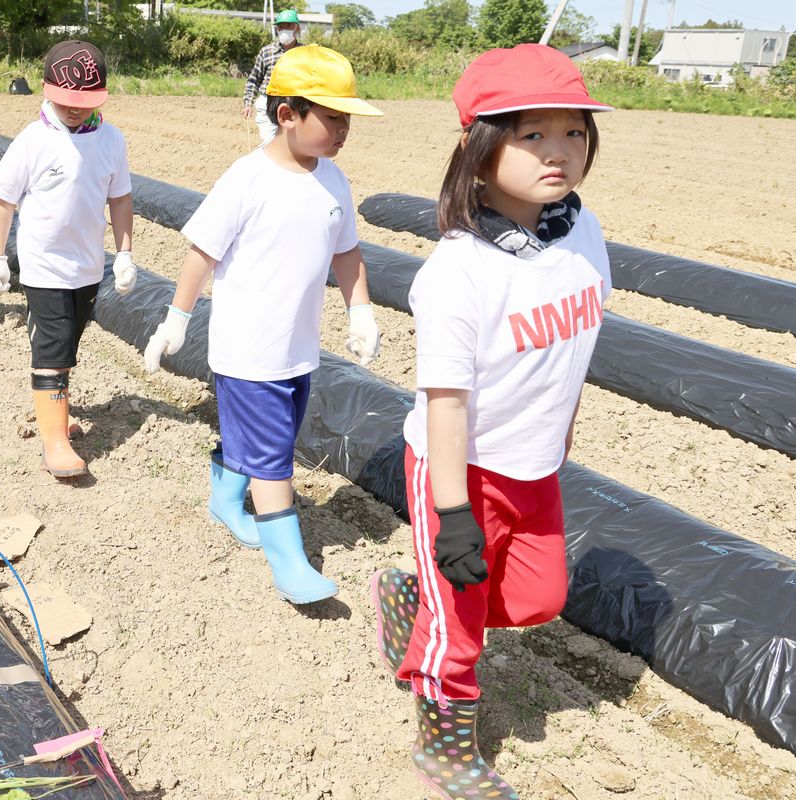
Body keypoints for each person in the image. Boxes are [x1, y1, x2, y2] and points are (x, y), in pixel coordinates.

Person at [370, 44, 613, 800]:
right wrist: (452, 517)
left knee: (538, 598)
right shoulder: (460, 272)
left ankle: (414, 599)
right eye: (532, 135)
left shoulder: (582, 233)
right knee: (462, 627)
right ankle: (444, 752)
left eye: (572, 133)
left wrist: (560, 433)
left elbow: (577, 347)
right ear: (480, 152)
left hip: (533, 464)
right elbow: (446, 403)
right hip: (462, 472)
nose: (558, 152)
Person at [145, 44, 382, 604]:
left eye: (347, 118)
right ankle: (290, 561)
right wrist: (176, 318)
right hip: (249, 349)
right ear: (287, 115)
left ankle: (225, 499)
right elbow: (202, 251)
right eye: (332, 118)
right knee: (274, 457)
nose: (343, 130)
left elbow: (347, 254)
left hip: (298, 348)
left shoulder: (335, 183)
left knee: (264, 438)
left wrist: (361, 308)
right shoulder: (247, 178)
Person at [0, 40, 135, 479]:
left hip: (87, 266)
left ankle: (57, 410)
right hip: (43, 264)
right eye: (66, 101)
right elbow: (3, 201)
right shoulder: (34, 140)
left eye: (83, 103)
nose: (74, 110)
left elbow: (121, 199)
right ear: (47, 91)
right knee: (53, 343)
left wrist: (124, 251)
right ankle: (55, 441)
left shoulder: (110, 139)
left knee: (68, 343)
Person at [242, 9, 300, 145]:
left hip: (294, 103)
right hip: (267, 101)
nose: (284, 29)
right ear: (277, 29)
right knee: (270, 142)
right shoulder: (267, 51)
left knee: (292, 144)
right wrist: (248, 103)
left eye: (289, 26)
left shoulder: (304, 52)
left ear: (296, 27)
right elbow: (254, 79)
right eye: (281, 26)